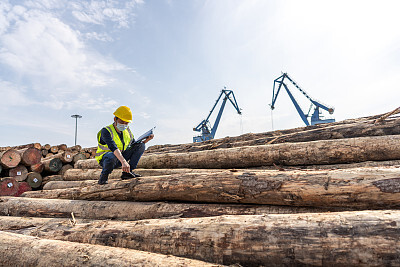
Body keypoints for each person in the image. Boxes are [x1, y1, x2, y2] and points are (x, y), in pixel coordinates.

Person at [95, 106, 154, 185]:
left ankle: (127, 173)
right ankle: (103, 177)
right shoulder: (106, 131)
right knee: (112, 155)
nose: (124, 124)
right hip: (106, 160)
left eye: (126, 123)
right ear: (115, 119)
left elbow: (133, 145)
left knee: (140, 146)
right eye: (122, 122)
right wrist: (123, 161)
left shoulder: (127, 131)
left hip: (121, 158)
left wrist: (147, 140)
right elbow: (113, 147)